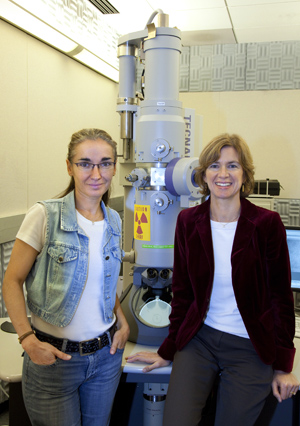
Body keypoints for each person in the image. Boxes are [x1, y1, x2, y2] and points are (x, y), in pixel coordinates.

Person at [126, 133, 299, 426]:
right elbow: (182, 294)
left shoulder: (266, 225)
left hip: (249, 344)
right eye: (215, 166)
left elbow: (280, 298)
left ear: (244, 175)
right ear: (203, 174)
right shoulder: (188, 222)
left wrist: (283, 366)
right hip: (200, 340)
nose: (223, 174)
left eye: (232, 166)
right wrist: (167, 350)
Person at [2, 128, 130, 426]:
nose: (96, 173)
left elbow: (104, 283)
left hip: (105, 358)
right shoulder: (45, 215)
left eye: (105, 163)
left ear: (113, 167)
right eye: (85, 163)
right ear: (70, 166)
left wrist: (122, 322)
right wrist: (27, 339)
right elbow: (11, 281)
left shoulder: (113, 219)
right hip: (55, 361)